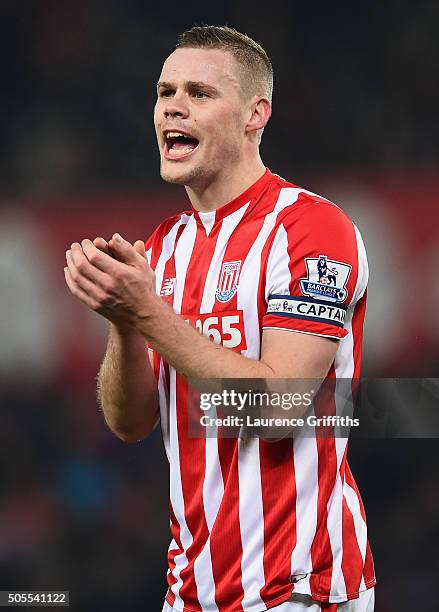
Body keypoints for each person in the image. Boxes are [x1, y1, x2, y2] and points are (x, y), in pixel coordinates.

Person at [64, 25, 375, 612]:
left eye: (200, 93)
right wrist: (123, 322)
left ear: (257, 113)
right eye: (164, 91)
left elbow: (279, 410)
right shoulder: (161, 249)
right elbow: (129, 424)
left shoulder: (310, 230)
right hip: (192, 591)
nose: (172, 107)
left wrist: (150, 314)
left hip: (302, 587)